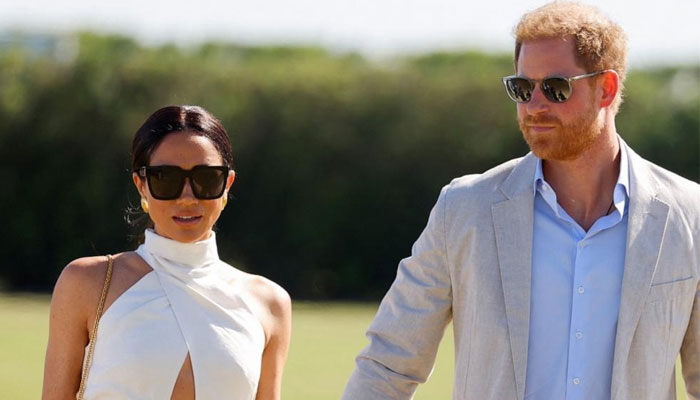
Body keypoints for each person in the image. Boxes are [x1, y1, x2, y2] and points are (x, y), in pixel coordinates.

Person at [341, 2, 699, 400]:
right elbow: (388, 364)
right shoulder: (464, 210)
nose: (534, 105)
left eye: (556, 87)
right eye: (522, 88)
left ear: (606, 88)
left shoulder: (689, 216)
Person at [42, 105, 292, 400]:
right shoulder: (86, 282)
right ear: (141, 185)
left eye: (206, 178)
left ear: (227, 184)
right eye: (166, 178)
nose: (187, 197)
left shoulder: (269, 303)